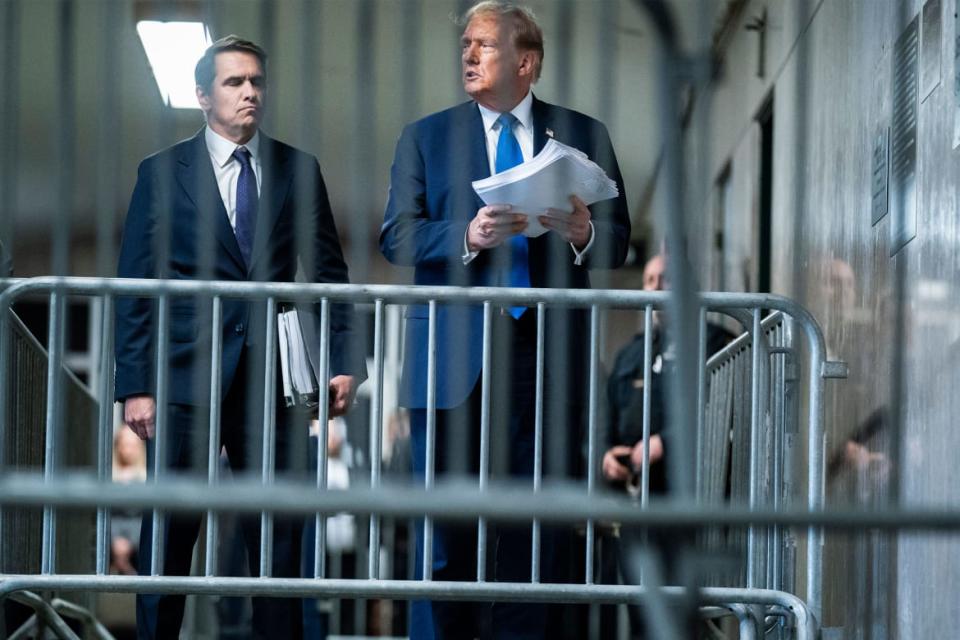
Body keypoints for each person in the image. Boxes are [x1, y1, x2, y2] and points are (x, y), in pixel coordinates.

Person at [379, 2, 630, 637]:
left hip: (546, 356)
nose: (467, 56)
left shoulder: (582, 133)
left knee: (537, 528)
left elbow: (619, 239)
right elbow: (395, 236)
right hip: (452, 359)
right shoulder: (426, 137)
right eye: (465, 44)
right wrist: (464, 233)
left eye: (484, 45)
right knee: (447, 534)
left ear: (526, 61)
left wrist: (584, 232)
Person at [114, 35, 363, 639]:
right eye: (234, 82)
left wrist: (346, 362)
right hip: (182, 374)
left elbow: (330, 275)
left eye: (256, 81)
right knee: (169, 535)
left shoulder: (297, 170)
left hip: (279, 379)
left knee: (281, 538)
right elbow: (135, 285)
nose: (250, 92)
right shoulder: (161, 173)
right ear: (202, 96)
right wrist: (136, 387)